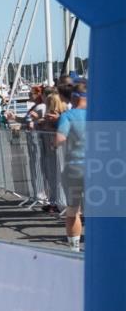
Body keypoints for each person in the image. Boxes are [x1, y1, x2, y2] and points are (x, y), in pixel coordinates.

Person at [55, 81, 87, 252]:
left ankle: (74, 248)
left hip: (74, 167)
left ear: (74, 98)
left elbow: (60, 139)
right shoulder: (99, 114)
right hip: (98, 168)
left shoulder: (68, 115)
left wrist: (55, 144)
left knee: (73, 209)